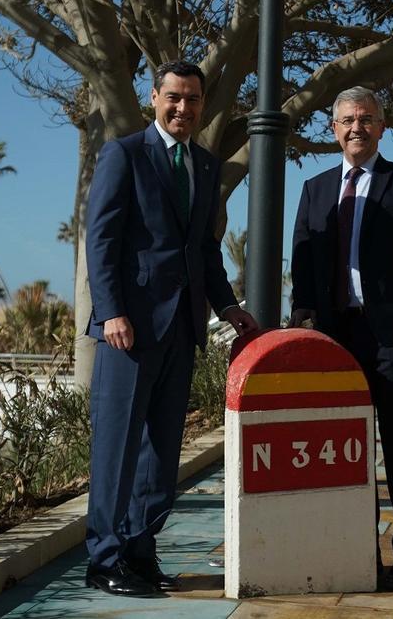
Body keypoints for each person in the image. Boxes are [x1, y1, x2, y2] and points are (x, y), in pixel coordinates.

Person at [84, 61, 258, 597]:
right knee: (116, 449)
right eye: (174, 98)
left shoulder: (203, 166)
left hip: (183, 330)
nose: (184, 109)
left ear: (203, 105)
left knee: (161, 452)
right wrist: (111, 310)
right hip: (128, 331)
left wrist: (228, 307)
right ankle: (104, 559)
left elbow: (203, 249)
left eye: (193, 100)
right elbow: (102, 240)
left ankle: (139, 551)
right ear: (154, 98)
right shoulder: (124, 154)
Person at [289, 86, 393, 591]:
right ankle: (355, 549)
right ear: (333, 129)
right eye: (347, 120)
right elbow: (304, 260)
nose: (356, 127)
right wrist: (303, 319)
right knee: (341, 447)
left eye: (366, 118)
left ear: (382, 126)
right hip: (335, 339)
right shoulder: (314, 189)